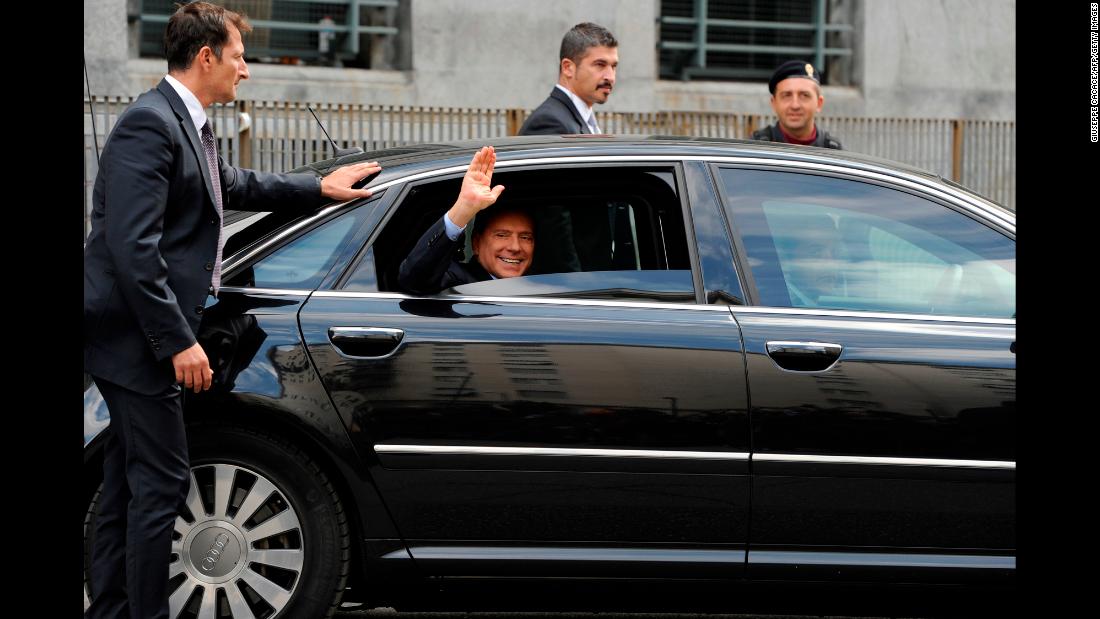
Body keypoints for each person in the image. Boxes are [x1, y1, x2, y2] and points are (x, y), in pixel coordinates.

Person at [83, 3, 380, 617]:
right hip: (134, 341)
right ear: (207, 57)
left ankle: (110, 609)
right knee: (161, 484)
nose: (247, 69)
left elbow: (233, 184)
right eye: (240, 56)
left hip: (138, 337)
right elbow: (133, 251)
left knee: (122, 488)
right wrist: (177, 342)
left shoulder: (184, 122)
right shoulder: (151, 124)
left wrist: (318, 187)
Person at [398, 146, 531, 295]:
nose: (515, 247)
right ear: (476, 244)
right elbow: (415, 280)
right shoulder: (457, 281)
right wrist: (464, 208)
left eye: (525, 237)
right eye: (501, 235)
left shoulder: (547, 284)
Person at [518, 22, 618, 136]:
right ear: (567, 67)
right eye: (600, 65)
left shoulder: (576, 118)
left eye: (614, 66)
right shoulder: (551, 122)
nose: (610, 77)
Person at [751, 59, 843, 149]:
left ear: (819, 103)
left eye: (804, 95)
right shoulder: (757, 149)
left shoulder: (834, 153)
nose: (795, 105)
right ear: (774, 103)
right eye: (787, 95)